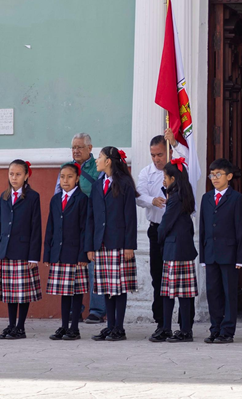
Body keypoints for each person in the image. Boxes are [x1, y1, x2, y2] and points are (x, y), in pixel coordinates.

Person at [88, 146, 138, 341]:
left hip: (119, 243)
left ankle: (119, 327)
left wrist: (129, 245)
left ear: (108, 161)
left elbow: (130, 217)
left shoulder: (124, 183)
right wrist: (90, 246)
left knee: (119, 287)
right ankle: (110, 326)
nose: (96, 161)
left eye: (99, 157)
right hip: (101, 243)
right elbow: (91, 218)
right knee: (107, 287)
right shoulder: (96, 186)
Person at [0, 160, 42, 340]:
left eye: (18, 174)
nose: (14, 177)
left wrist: (33, 256)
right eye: (11, 174)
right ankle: (11, 324)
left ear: (26, 175)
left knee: (23, 292)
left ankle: (20, 327)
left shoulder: (32, 197)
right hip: (6, 251)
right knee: (10, 293)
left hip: (23, 251)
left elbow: (36, 228)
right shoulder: (4, 196)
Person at [199, 159, 242, 344]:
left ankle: (227, 330)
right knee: (213, 292)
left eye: (219, 174)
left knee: (229, 293)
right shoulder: (206, 198)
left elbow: (240, 229)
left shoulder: (236, 198)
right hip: (210, 253)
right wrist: (203, 256)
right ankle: (215, 328)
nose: (215, 178)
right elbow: (203, 228)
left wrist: (240, 258)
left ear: (229, 176)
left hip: (229, 254)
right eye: (212, 174)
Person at [45, 162, 91, 341]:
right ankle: (63, 326)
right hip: (59, 252)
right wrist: (48, 252)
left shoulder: (82, 200)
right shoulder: (55, 199)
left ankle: (74, 328)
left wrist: (83, 254)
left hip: (75, 253)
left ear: (77, 179)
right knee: (63, 292)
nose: (65, 180)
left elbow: (84, 229)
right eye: (62, 177)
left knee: (76, 291)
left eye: (70, 177)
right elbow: (51, 227)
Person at [154, 157, 198, 342]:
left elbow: (165, 224)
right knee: (184, 293)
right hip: (184, 248)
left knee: (169, 293)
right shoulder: (183, 194)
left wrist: (159, 238)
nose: (164, 179)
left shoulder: (175, 198)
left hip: (174, 249)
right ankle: (185, 328)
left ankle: (168, 328)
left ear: (173, 178)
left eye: (165, 176)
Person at [67, 133, 106, 324]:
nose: (75, 151)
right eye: (73, 147)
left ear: (90, 149)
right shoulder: (67, 168)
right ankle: (76, 309)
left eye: (80, 147)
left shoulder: (98, 167)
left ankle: (97, 310)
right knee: (74, 268)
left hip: (92, 223)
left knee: (94, 267)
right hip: (73, 224)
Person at [135, 134, 170, 337]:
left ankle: (184, 322)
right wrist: (152, 200)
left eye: (160, 154)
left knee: (177, 276)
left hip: (174, 229)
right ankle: (160, 321)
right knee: (157, 276)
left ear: (168, 152)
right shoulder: (146, 172)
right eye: (153, 155)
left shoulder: (177, 170)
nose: (156, 159)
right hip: (155, 228)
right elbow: (139, 196)